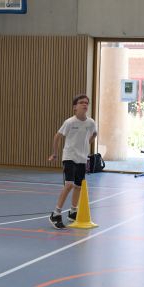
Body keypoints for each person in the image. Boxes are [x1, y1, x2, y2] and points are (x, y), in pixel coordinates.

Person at [48, 94, 97, 230]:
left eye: (87, 103)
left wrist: (85, 145)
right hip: (69, 156)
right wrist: (55, 155)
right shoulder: (69, 122)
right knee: (69, 185)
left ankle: (73, 212)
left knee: (78, 186)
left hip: (82, 158)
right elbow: (57, 137)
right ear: (75, 107)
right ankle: (56, 214)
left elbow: (94, 134)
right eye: (81, 103)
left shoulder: (90, 122)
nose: (85, 104)